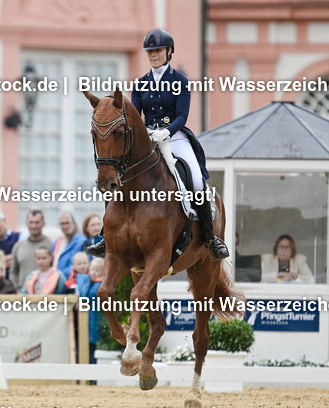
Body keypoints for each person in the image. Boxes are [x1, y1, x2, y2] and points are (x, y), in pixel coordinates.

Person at [86, 28, 229, 260]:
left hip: (176, 136)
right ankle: (105, 237)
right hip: (148, 136)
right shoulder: (140, 83)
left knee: (194, 178)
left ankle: (211, 238)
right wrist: (145, 134)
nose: (153, 55)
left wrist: (167, 131)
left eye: (158, 50)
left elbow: (182, 115)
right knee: (117, 177)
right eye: (150, 51)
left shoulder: (180, 81)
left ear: (169, 52)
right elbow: (134, 116)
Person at [10, 209, 52, 290]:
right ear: (27, 224)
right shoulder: (18, 246)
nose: (34, 226)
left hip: (45, 295)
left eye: (37, 222)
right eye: (31, 222)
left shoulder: (51, 245)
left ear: (43, 224)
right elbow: (13, 272)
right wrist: (16, 289)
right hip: (22, 295)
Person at [52, 210, 88, 280]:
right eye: (62, 223)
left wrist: (59, 276)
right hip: (56, 283)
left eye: (67, 223)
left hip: (71, 283)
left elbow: (83, 266)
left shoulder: (82, 242)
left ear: (74, 224)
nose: (65, 226)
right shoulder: (56, 243)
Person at [82, 258, 105, 363]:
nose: (93, 272)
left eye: (97, 270)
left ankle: (92, 378)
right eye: (91, 269)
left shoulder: (98, 285)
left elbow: (86, 296)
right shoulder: (93, 283)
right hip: (92, 322)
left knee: (93, 351)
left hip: (94, 323)